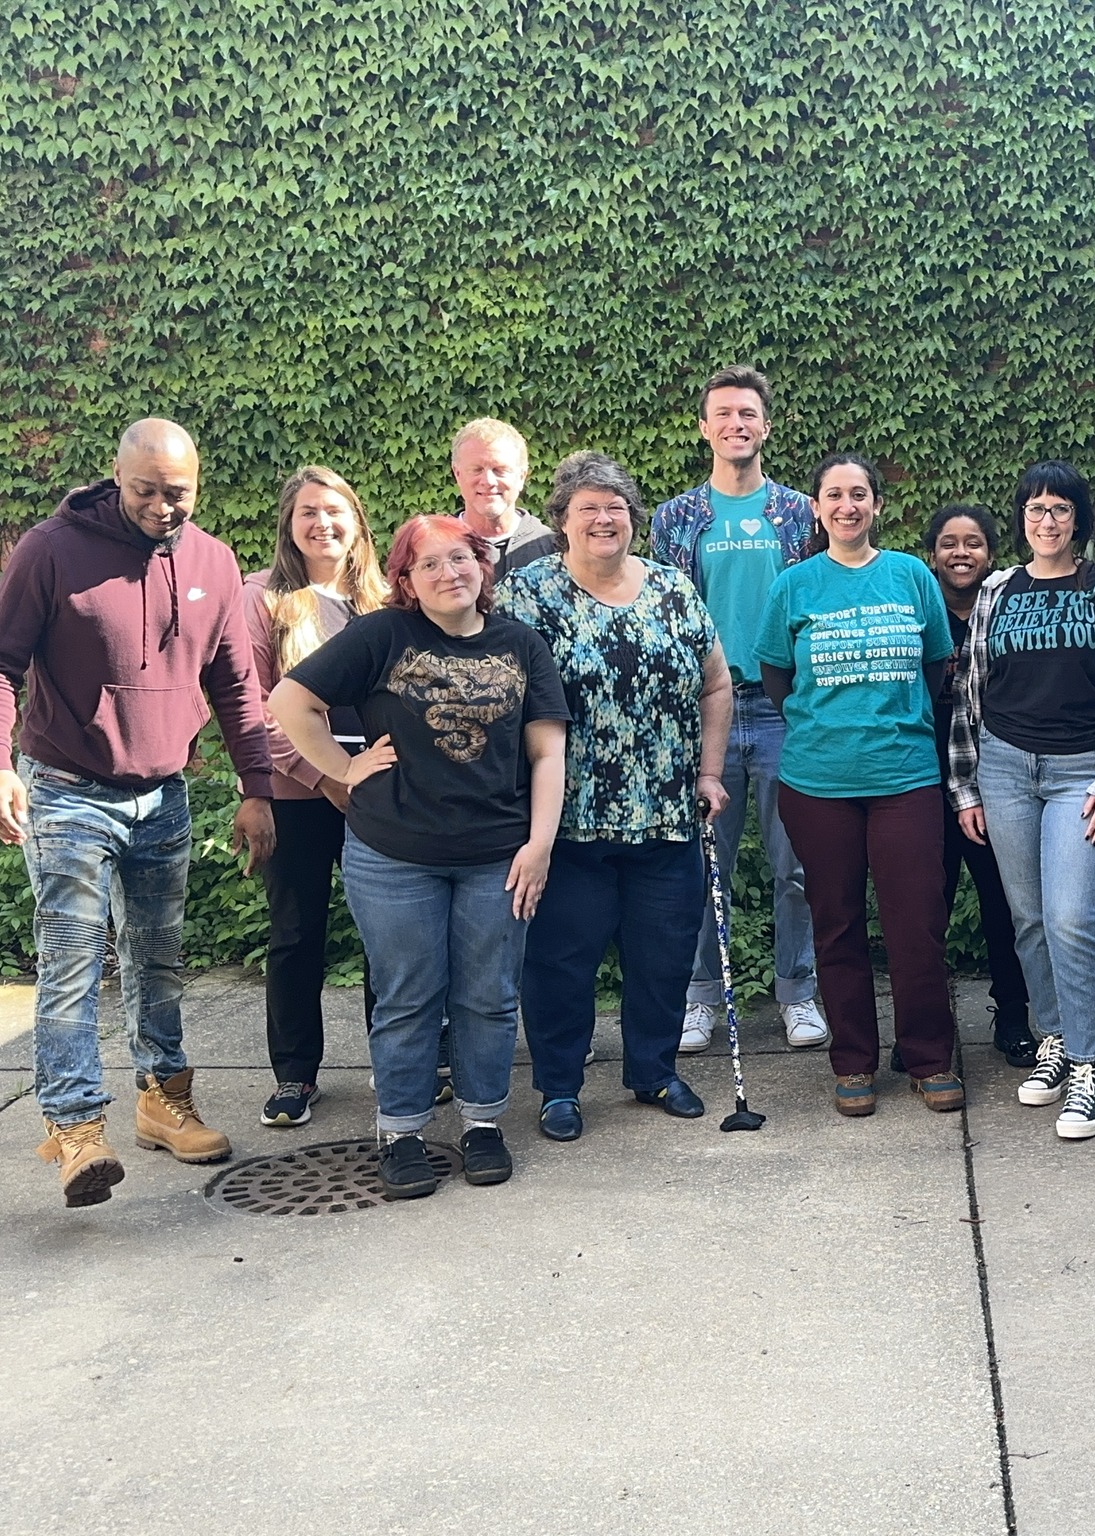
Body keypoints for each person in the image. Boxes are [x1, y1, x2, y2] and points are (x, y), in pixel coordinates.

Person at [0, 418, 275, 1207]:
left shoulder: (214, 562)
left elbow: (234, 686)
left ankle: (162, 1097)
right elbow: (2, 665)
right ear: (118, 479)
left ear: (198, 485)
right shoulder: (51, 551)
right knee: (75, 955)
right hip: (66, 783)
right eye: (146, 490)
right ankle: (78, 1126)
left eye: (177, 492)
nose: (162, 506)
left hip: (164, 792)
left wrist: (256, 788)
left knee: (157, 959)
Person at [270, 515, 568, 1197]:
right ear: (404, 579)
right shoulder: (381, 636)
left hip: (498, 853)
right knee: (409, 996)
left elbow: (548, 751)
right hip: (393, 854)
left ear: (482, 566)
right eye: (428, 564)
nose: (448, 573)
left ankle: (483, 1124)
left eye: (460, 558)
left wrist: (540, 844)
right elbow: (290, 701)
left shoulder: (521, 645)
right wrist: (343, 770)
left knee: (489, 997)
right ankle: (402, 1132)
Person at [497, 453, 733, 1142]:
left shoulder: (671, 588)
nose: (604, 518)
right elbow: (509, 704)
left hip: (666, 816)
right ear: (562, 522)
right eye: (588, 508)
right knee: (561, 962)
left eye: (616, 507)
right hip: (570, 823)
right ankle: (560, 1089)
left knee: (662, 953)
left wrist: (709, 773)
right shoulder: (527, 594)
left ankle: (654, 1071)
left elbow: (715, 684)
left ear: (633, 517)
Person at [947, 461, 1095, 1141]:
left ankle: (1089, 1065)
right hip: (1005, 769)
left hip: (1084, 773)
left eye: (1060, 509)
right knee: (1030, 917)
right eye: (1036, 509)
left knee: (1071, 917)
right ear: (1022, 518)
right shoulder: (996, 592)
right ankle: (1056, 1040)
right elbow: (970, 694)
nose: (1047, 521)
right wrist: (966, 784)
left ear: (1078, 521)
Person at [754, 454, 961, 1117]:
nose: (848, 505)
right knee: (835, 924)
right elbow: (777, 678)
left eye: (859, 494)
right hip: (817, 782)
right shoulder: (794, 586)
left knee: (916, 926)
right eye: (834, 495)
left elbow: (935, 668)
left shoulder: (911, 577)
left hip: (904, 776)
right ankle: (853, 1063)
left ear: (876, 505)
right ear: (816, 508)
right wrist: (830, 725)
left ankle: (929, 1058)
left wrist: (891, 722)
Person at [650, 366, 826, 1051]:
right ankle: (699, 998)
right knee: (700, 866)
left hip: (785, 708)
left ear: (765, 426)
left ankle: (798, 993)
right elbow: (668, 617)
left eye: (748, 414)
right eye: (723, 414)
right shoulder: (674, 520)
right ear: (705, 429)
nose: (736, 424)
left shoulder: (800, 514)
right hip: (706, 713)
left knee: (797, 865)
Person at [243, 466, 388, 1128]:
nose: (322, 522)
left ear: (356, 521)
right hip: (300, 797)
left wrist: (368, 779)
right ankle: (295, 1076)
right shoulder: (261, 599)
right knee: (298, 933)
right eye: (308, 511)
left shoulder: (387, 601)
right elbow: (254, 711)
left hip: (381, 792)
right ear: (288, 524)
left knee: (388, 932)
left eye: (335, 510)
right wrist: (330, 779)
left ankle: (399, 1064)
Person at [923, 503, 1035, 1069]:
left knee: (1003, 901)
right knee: (926, 907)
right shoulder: (919, 611)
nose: (960, 552)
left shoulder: (1006, 610)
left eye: (973, 543)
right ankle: (927, 1028)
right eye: (948, 543)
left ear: (991, 554)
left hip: (993, 775)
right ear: (933, 553)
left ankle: (1013, 1015)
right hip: (922, 777)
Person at [451, 418, 555, 574]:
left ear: (522, 476)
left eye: (499, 470)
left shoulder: (553, 549)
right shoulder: (431, 549)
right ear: (457, 474)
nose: (488, 481)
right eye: (476, 469)